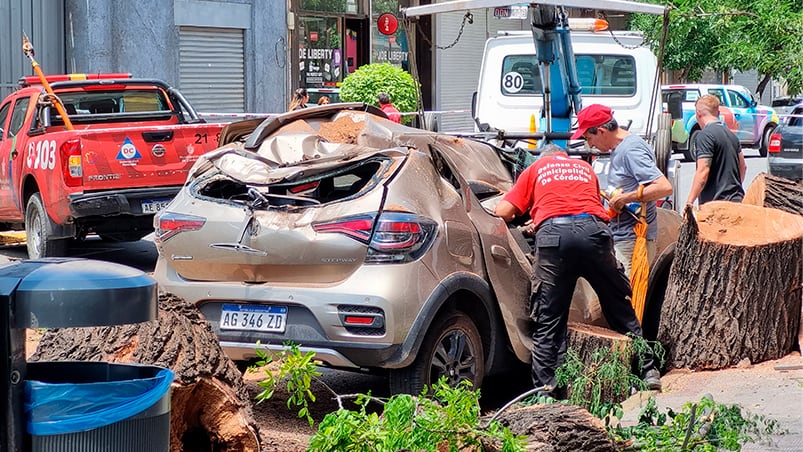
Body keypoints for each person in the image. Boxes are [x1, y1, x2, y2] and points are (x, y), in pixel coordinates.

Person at [494, 144, 662, 396]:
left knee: (549, 319)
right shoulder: (585, 168)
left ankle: (546, 391)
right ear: (563, 156)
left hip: (555, 239)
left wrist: (532, 214)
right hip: (595, 234)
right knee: (619, 306)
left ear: (544, 157)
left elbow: (503, 212)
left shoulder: (536, 168)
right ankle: (648, 371)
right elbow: (581, 203)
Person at [571, 104, 673, 276]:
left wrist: (624, 199)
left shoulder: (631, 150)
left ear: (602, 131)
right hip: (624, 237)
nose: (590, 145)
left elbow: (663, 187)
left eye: (589, 138)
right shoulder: (620, 149)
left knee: (626, 297)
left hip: (632, 240)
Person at [685, 94, 747, 206]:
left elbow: (703, 171)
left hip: (716, 206)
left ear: (698, 114)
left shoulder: (705, 136)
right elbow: (743, 167)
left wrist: (690, 200)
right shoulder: (731, 135)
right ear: (718, 113)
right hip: (737, 201)